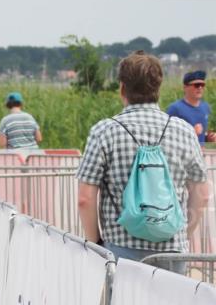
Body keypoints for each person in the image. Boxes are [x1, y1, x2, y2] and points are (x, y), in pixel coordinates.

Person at [77, 52, 210, 273]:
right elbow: (202, 194)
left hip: (120, 250)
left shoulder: (104, 131)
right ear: (159, 87)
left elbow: (85, 199)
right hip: (172, 250)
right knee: (171, 298)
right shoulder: (184, 131)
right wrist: (182, 234)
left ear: (122, 88)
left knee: (123, 298)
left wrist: (96, 243)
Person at [167, 70, 215, 145]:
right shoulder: (175, 109)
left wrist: (209, 138)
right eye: (196, 85)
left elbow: (202, 136)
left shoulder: (206, 107)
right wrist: (192, 133)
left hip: (202, 151)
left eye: (202, 85)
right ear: (185, 87)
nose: (200, 88)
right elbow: (167, 136)